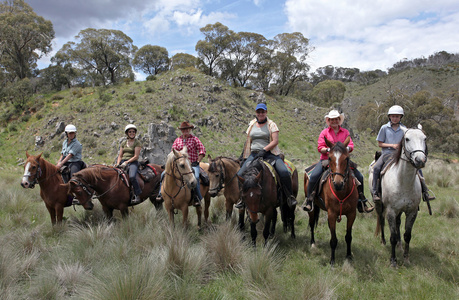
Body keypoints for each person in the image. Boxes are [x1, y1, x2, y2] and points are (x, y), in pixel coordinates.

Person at [302, 110, 373, 213]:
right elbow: (320, 147)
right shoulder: (324, 133)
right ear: (329, 121)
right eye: (332, 119)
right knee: (313, 176)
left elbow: (351, 145)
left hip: (342, 160)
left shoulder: (345, 132)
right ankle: (309, 201)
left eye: (336, 119)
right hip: (326, 160)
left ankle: (361, 201)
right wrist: (327, 150)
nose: (334, 121)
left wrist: (346, 149)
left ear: (339, 120)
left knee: (360, 177)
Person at [236, 103, 297, 208]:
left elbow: (275, 141)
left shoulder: (271, 124)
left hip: (270, 154)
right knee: (240, 174)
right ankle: (243, 198)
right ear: (256, 113)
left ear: (266, 112)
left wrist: (264, 150)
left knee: (284, 172)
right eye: (258, 112)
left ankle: (289, 196)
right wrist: (244, 155)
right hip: (254, 154)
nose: (260, 114)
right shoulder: (252, 124)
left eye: (263, 111)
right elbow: (248, 141)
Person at [371, 105, 435, 203]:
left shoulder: (404, 129)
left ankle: (425, 192)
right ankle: (375, 192)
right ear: (389, 117)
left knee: (417, 169)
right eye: (393, 116)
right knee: (376, 168)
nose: (395, 118)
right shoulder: (384, 128)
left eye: (397, 116)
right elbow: (380, 143)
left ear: (401, 117)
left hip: (401, 155)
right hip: (387, 154)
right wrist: (392, 145)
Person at [171, 121, 206, 206]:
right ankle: (162, 194)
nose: (185, 131)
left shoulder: (194, 139)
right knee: (164, 174)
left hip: (192, 164)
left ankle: (197, 198)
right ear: (181, 131)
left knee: (196, 177)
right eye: (183, 130)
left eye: (187, 129)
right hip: (180, 165)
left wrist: (198, 161)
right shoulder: (177, 140)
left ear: (190, 130)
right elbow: (173, 152)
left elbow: (202, 150)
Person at [56, 124, 87, 205]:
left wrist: (61, 163)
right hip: (66, 161)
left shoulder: (77, 144)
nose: (71, 135)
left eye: (73, 133)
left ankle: (77, 195)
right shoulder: (65, 142)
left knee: (74, 177)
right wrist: (58, 163)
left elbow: (70, 155)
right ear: (66, 134)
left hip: (75, 162)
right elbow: (63, 154)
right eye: (70, 133)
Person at [116, 124, 142, 204]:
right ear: (127, 133)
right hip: (122, 161)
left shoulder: (137, 143)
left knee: (132, 176)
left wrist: (126, 162)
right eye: (130, 132)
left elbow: (136, 156)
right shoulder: (123, 143)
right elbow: (120, 155)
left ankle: (137, 195)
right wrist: (117, 164)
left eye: (133, 132)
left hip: (132, 162)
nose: (132, 133)